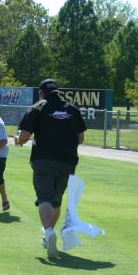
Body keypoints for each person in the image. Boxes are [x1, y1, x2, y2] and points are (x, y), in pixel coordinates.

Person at [14, 79, 87, 258]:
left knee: (44, 197)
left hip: (44, 159)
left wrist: (17, 140)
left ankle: (48, 231)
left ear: (41, 93)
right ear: (57, 92)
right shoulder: (72, 109)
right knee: (56, 201)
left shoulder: (38, 107)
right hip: (68, 161)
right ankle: (48, 235)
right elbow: (80, 139)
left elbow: (24, 137)